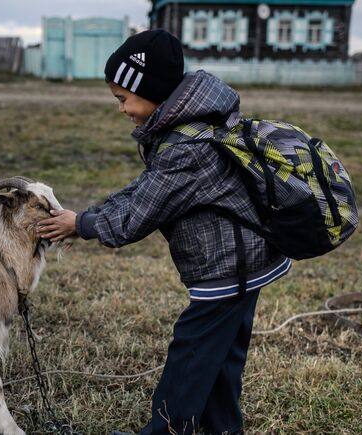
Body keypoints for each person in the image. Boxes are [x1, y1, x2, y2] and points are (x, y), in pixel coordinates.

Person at [37, 29, 291, 435]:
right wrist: (87, 213)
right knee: (220, 362)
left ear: (151, 89)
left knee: (190, 359)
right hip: (245, 263)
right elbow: (144, 189)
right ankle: (223, 430)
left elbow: (134, 219)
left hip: (227, 270)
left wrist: (80, 224)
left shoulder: (187, 149)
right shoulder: (191, 127)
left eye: (123, 99)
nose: (121, 109)